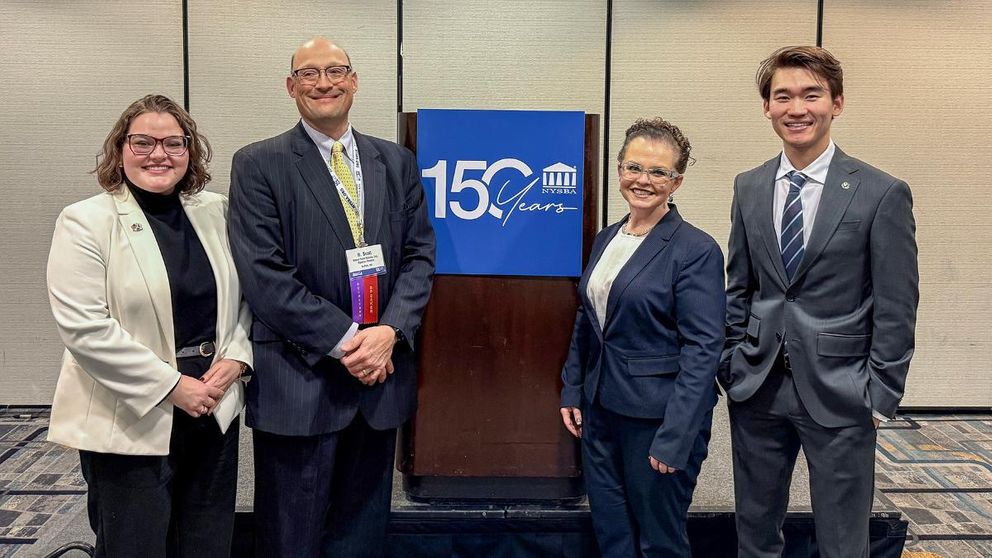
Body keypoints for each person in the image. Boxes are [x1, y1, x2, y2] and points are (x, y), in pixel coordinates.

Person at [228, 37, 435, 557]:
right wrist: (349, 342)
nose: (324, 83)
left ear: (354, 81)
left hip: (380, 377)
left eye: (336, 71)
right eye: (309, 73)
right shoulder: (258, 163)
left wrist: (388, 332)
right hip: (301, 380)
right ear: (291, 86)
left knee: (361, 536)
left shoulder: (396, 161)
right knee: (290, 538)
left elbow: (419, 255)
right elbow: (264, 276)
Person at [721, 45, 919, 558]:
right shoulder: (749, 186)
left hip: (843, 390)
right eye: (783, 96)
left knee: (843, 542)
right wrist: (731, 363)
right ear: (767, 106)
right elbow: (739, 285)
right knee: (754, 536)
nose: (797, 108)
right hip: (758, 386)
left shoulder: (881, 192)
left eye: (812, 95)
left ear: (837, 103)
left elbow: (897, 303)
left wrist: (880, 395)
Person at [46, 94, 252, 558]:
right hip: (130, 412)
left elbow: (245, 298)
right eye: (143, 142)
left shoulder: (217, 211)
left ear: (189, 151)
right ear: (120, 148)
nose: (159, 154)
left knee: (207, 540)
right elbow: (85, 328)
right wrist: (173, 386)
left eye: (174, 143)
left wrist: (238, 359)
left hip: (213, 403)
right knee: (135, 544)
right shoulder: (85, 221)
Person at [559, 118, 725, 557]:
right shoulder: (606, 239)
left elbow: (703, 351)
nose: (643, 180)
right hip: (600, 411)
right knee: (613, 535)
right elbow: (587, 318)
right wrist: (572, 388)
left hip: (657, 421)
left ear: (677, 182)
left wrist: (677, 436)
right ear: (619, 170)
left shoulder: (695, 250)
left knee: (659, 542)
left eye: (658, 172)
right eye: (634, 167)